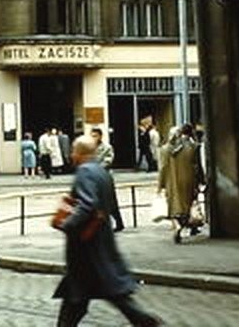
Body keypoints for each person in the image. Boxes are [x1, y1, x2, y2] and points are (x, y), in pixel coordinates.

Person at [52, 135, 160, 327]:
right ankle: (143, 320)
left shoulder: (84, 172)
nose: (71, 155)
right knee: (99, 292)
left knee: (85, 292)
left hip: (86, 246)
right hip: (101, 241)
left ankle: (144, 320)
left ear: (81, 153)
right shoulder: (102, 172)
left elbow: (88, 204)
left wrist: (67, 224)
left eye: (74, 151)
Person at [158, 124, 199, 243]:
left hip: (172, 181)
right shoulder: (192, 147)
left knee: (173, 206)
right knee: (187, 205)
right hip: (189, 180)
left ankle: (177, 225)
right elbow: (196, 166)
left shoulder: (165, 149)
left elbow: (163, 168)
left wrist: (160, 185)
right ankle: (184, 224)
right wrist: (201, 181)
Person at [92, 128, 123, 232]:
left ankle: (118, 222)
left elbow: (108, 160)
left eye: (95, 136)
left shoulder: (107, 147)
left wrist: (97, 168)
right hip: (94, 177)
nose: (93, 138)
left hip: (104, 177)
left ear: (100, 136)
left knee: (110, 201)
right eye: (92, 136)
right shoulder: (90, 148)